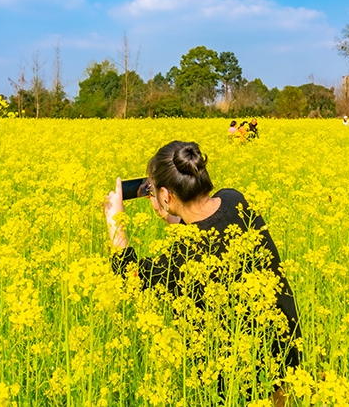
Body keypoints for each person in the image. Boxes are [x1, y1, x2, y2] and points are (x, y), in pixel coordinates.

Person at [104, 141, 302, 404]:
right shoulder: (235, 199)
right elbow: (210, 226)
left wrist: (114, 221)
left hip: (241, 381)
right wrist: (172, 214)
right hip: (287, 356)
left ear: (166, 195)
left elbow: (129, 277)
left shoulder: (181, 261)